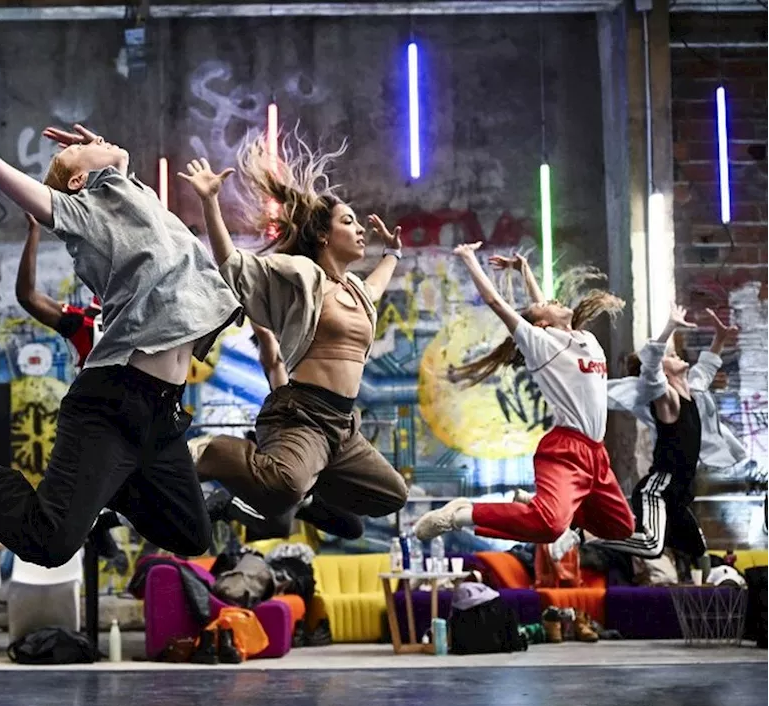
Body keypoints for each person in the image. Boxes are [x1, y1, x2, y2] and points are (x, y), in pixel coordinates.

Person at [0, 111, 242, 570]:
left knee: (191, 535)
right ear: (80, 182)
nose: (97, 138)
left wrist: (101, 152)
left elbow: (116, 170)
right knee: (51, 543)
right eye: (79, 149)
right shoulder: (86, 213)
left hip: (162, 412)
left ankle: (108, 488)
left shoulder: (139, 200)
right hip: (112, 402)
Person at [176, 147, 409, 532]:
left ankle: (309, 491)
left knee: (390, 495)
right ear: (322, 235)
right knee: (281, 487)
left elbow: (376, 286)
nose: (360, 229)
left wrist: (393, 254)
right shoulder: (302, 277)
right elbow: (234, 265)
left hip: (342, 424)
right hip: (302, 414)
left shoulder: (356, 292)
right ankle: (210, 451)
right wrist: (210, 202)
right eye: (349, 222)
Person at [412, 243, 635, 544]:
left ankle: (540, 503)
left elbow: (540, 303)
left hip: (596, 451)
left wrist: (524, 271)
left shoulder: (584, 338)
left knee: (621, 527)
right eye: (548, 305)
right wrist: (468, 258)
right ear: (542, 324)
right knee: (549, 528)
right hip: (566, 449)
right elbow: (494, 301)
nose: (554, 301)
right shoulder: (542, 346)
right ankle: (459, 515)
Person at [586, 306, 739, 560]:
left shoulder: (692, 391)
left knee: (699, 552)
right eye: (671, 355)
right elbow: (651, 370)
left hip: (680, 493)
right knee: (651, 545)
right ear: (664, 372)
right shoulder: (666, 399)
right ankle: (587, 535)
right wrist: (669, 327)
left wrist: (719, 339)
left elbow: (707, 368)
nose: (677, 355)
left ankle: (703, 594)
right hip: (659, 488)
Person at [204, 324, 365, 542]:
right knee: (277, 527)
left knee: (353, 528)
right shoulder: (286, 395)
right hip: (278, 470)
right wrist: (262, 322)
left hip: (306, 482)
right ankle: (228, 503)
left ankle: (301, 501)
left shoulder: (326, 402)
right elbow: (273, 360)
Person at [16, 212, 101, 370]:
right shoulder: (84, 323)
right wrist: (34, 231)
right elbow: (27, 296)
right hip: (94, 392)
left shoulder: (144, 318)